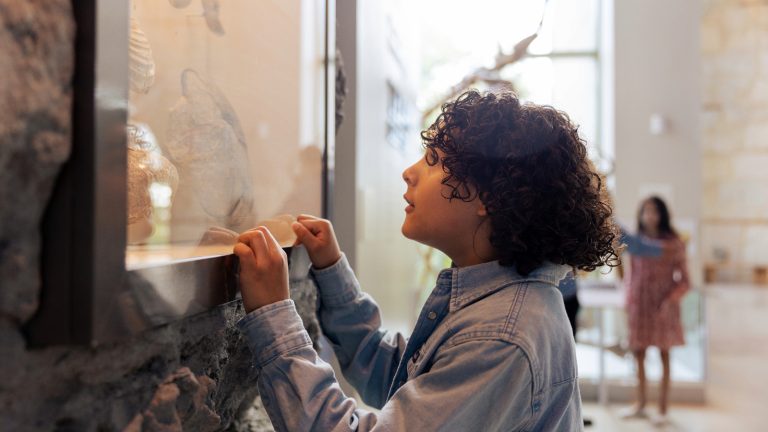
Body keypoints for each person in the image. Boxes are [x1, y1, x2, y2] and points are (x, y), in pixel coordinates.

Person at [233, 90, 620, 431]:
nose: (409, 172)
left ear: (489, 195)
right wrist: (332, 270)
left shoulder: (501, 336)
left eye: (433, 159)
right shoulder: (501, 305)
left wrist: (273, 315)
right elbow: (396, 373)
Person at [622, 196, 690, 426]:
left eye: (654, 211)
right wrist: (628, 301)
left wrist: (670, 301)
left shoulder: (673, 244)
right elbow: (630, 275)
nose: (649, 216)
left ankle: (663, 408)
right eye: (646, 211)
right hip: (639, 307)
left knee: (664, 355)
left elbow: (685, 281)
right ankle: (640, 404)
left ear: (663, 215)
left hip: (663, 308)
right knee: (638, 354)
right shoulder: (636, 243)